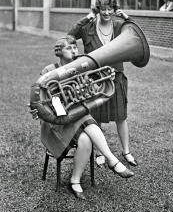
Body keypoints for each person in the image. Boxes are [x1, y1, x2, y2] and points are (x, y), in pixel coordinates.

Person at [29, 35, 134, 200]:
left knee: (85, 137)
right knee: (85, 117)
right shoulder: (49, 71)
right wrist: (36, 111)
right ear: (58, 52)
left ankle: (75, 181)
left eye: (75, 47)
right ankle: (112, 161)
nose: (73, 50)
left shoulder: (81, 69)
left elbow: (91, 92)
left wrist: (108, 79)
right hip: (55, 124)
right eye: (68, 47)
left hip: (75, 118)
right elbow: (38, 99)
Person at [67, 0, 138, 168]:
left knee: (121, 116)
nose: (106, 12)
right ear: (98, 9)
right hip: (94, 80)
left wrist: (126, 17)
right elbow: (70, 36)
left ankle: (126, 151)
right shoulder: (88, 27)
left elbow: (136, 34)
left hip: (117, 77)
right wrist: (86, 18)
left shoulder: (120, 25)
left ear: (115, 9)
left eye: (110, 9)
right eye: (103, 9)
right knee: (95, 115)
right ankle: (99, 152)